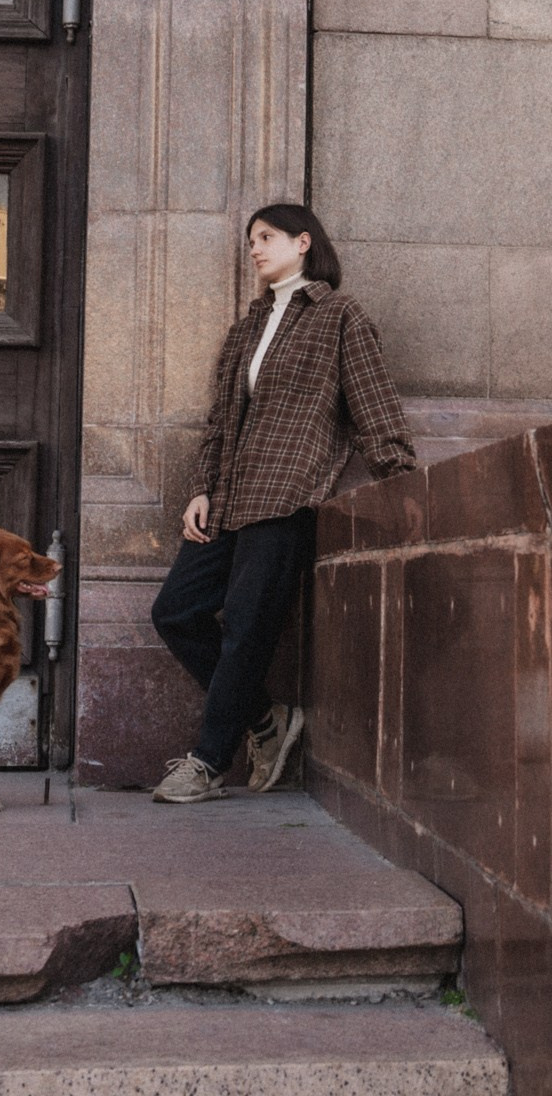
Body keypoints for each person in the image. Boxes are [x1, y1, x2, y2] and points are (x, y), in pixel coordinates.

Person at [148, 204, 417, 804]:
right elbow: (220, 421)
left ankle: (208, 763)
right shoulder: (247, 328)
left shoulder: (339, 316)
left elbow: (373, 405)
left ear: (303, 243)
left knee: (246, 628)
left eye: (266, 238)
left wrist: (401, 481)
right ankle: (268, 722)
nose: (254, 249)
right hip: (229, 497)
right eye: (250, 241)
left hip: (287, 491)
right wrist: (201, 488)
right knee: (175, 611)